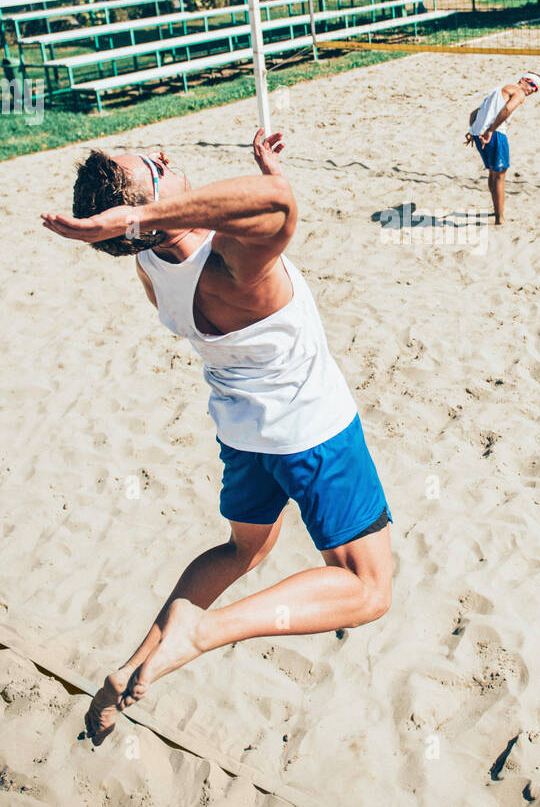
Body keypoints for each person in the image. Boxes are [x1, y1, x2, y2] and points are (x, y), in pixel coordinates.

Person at [41, 129, 392, 744]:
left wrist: (263, 175)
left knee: (242, 551)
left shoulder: (151, 261)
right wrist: (148, 211)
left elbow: (259, 201)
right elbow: (278, 210)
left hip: (242, 434)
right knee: (367, 588)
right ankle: (204, 631)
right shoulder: (231, 260)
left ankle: (128, 670)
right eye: (154, 164)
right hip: (310, 432)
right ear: (140, 209)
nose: (167, 158)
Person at [465, 72, 540, 225]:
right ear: (522, 80)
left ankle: (496, 209)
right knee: (499, 175)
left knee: (493, 173)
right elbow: (507, 111)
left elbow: (475, 112)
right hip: (494, 134)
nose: (533, 90)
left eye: (537, 89)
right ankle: (500, 218)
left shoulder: (498, 90)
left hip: (479, 134)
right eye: (532, 84)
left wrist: (473, 130)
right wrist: (491, 130)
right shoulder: (518, 92)